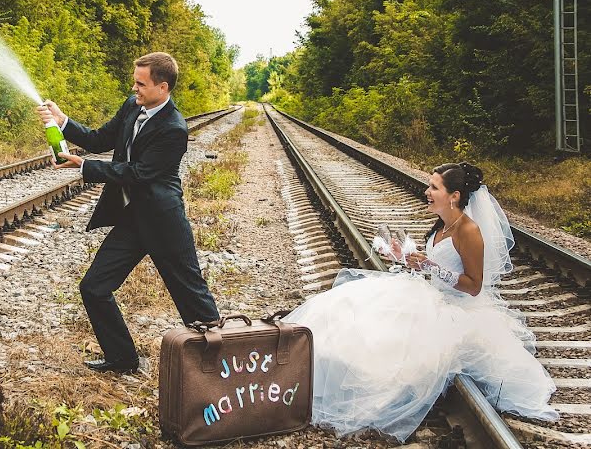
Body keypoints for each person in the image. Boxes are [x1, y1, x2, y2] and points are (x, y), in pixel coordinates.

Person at [282, 162, 558, 442]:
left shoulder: (468, 230)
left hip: (457, 307)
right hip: (429, 294)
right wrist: (405, 258)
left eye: (434, 187)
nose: (427, 191)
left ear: (454, 196)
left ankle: (368, 392)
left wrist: (431, 266)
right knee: (356, 311)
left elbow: (473, 286)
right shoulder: (443, 224)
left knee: (393, 339)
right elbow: (432, 266)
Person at [36, 52, 219, 374]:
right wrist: (63, 121)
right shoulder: (132, 107)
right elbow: (99, 139)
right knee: (94, 287)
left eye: (141, 83)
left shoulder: (174, 128)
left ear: (162, 88)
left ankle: (219, 362)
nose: (134, 88)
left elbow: (138, 173)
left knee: (191, 293)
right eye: (134, 81)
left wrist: (84, 168)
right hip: (133, 218)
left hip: (163, 220)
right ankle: (123, 360)